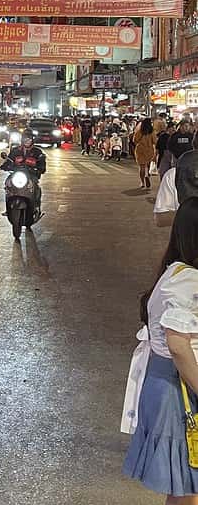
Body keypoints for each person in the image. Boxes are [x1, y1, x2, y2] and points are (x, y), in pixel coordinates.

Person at [122, 198, 198, 500]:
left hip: (167, 384)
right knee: (188, 486)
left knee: (183, 485)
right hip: (179, 390)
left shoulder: (176, 270)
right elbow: (178, 345)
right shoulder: (189, 280)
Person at [0, 131, 47, 214]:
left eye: (29, 139)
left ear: (32, 140)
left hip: (31, 174)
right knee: (8, 183)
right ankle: (8, 207)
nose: (27, 141)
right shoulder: (15, 150)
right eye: (25, 139)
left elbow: (41, 164)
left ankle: (36, 207)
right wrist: (5, 166)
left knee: (35, 186)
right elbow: (9, 160)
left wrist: (40, 168)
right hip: (17, 174)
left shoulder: (37, 152)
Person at [134, 118, 156, 189]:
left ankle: (142, 182)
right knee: (148, 165)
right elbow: (154, 141)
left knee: (142, 167)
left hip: (140, 150)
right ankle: (147, 175)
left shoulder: (139, 131)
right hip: (149, 150)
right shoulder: (152, 131)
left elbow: (135, 140)